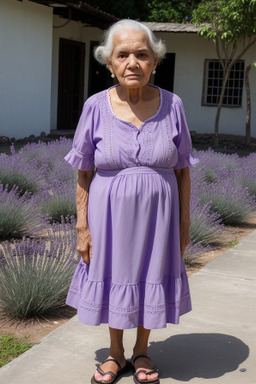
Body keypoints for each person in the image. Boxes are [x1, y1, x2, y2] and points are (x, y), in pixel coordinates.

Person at [65, 19, 197, 384]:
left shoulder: (174, 106)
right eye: (122, 55)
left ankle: (142, 351)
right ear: (109, 63)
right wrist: (82, 225)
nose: (132, 63)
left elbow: (184, 170)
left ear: (155, 61)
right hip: (108, 216)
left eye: (142, 54)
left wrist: (185, 223)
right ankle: (115, 353)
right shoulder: (95, 106)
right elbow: (83, 170)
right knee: (114, 277)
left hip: (160, 217)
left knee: (149, 275)